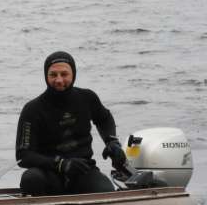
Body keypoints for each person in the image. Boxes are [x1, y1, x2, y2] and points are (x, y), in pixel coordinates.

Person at [15, 51, 127, 196]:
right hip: (48, 173)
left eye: (64, 74)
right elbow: (23, 156)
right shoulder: (32, 109)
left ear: (73, 74)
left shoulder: (87, 98)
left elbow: (104, 119)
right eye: (53, 75)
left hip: (83, 171)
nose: (59, 80)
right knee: (30, 179)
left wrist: (112, 142)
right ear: (45, 76)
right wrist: (61, 164)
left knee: (105, 192)